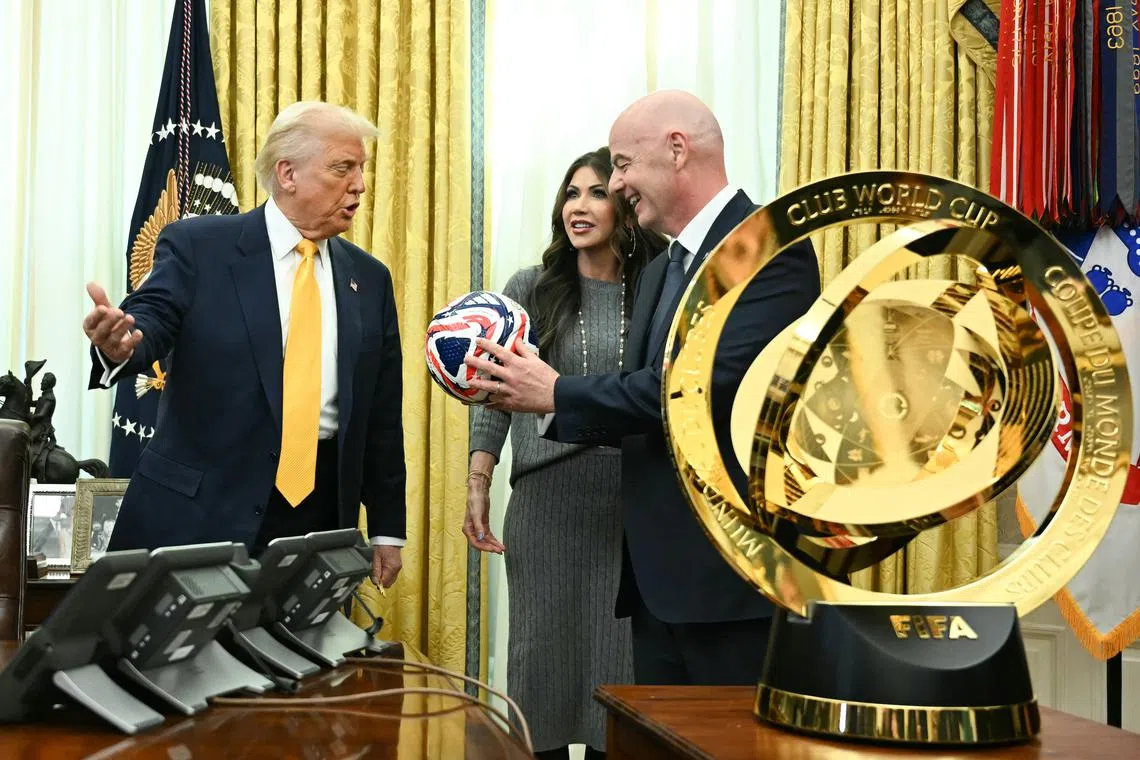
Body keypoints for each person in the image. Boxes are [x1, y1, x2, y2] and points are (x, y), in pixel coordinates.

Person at [465, 90, 821, 686]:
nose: (619, 182)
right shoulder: (664, 270)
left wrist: (559, 394)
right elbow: (642, 396)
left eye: (623, 165)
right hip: (655, 586)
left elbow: (701, 389)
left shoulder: (767, 246)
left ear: (677, 150)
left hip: (731, 581)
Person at [82, 101, 407, 589]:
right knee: (180, 665)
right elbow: (150, 319)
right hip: (201, 517)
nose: (360, 184)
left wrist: (386, 528)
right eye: (344, 168)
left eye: (361, 169)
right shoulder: (199, 246)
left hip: (317, 524)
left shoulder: (370, 279)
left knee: (306, 665)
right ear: (288, 173)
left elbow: (381, 413)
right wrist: (122, 346)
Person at [465, 147, 667, 759]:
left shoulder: (659, 288)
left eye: (597, 192)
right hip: (545, 508)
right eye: (571, 193)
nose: (579, 206)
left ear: (627, 204)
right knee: (540, 673)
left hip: (630, 507)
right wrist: (479, 479)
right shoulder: (530, 287)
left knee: (620, 680)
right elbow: (489, 389)